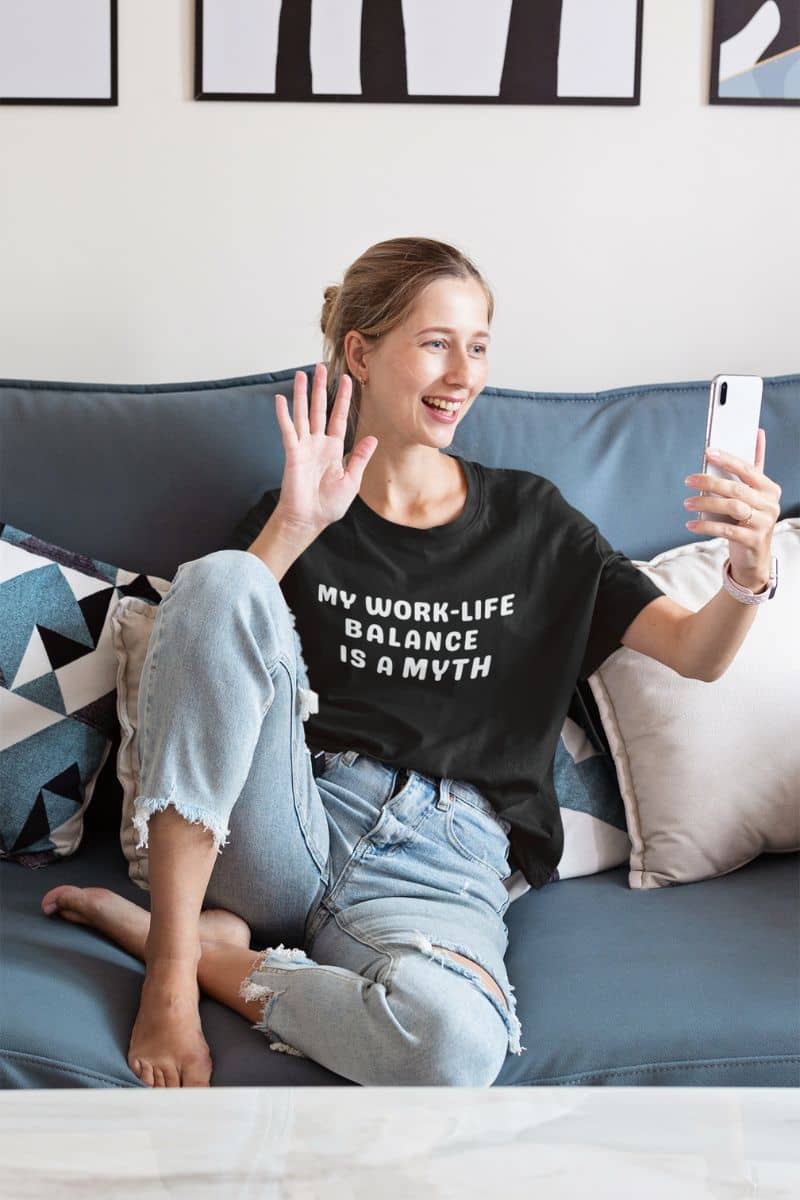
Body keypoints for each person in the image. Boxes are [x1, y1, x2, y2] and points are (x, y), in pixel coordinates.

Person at [39, 236, 676, 1088]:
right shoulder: (296, 507)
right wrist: (295, 530)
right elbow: (204, 639)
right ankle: (169, 980)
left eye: (478, 346)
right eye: (436, 343)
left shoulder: (534, 520)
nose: (464, 374)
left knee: (453, 1045)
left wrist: (749, 581)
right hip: (288, 822)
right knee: (225, 579)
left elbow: (693, 653)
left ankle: (187, 949)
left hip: (443, 861)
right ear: (360, 353)